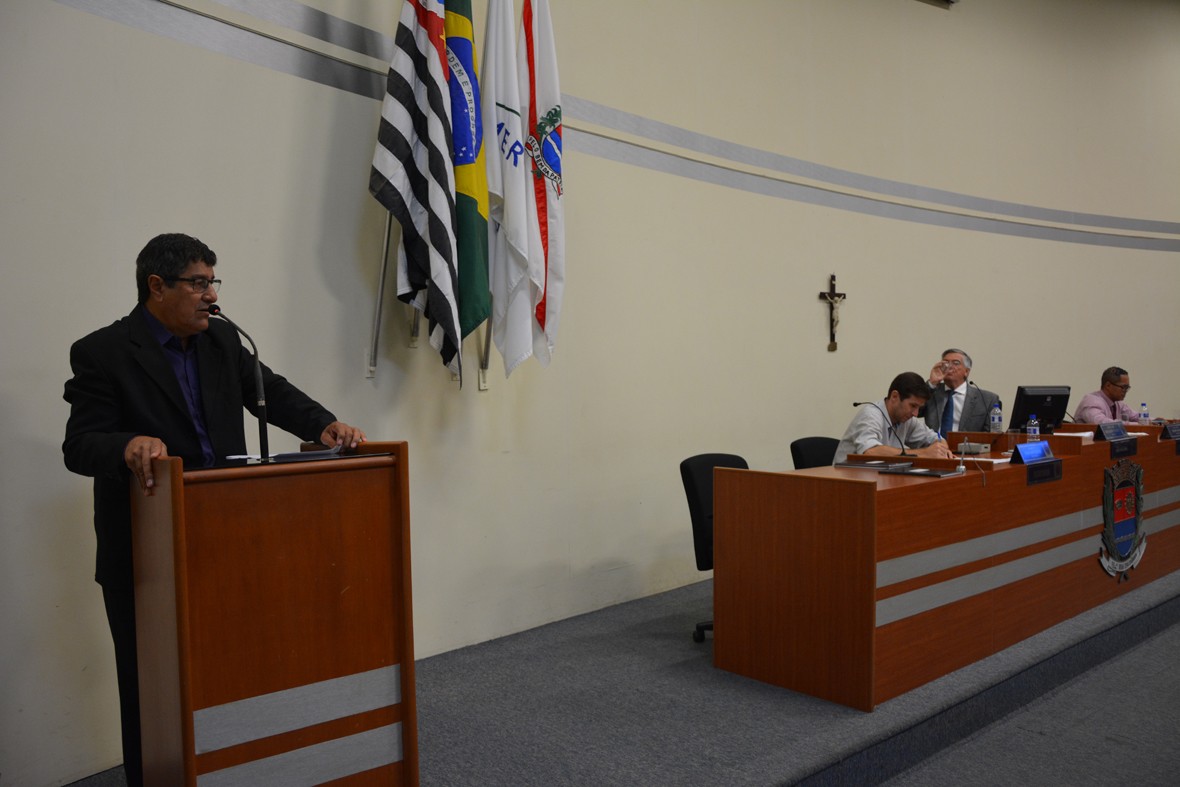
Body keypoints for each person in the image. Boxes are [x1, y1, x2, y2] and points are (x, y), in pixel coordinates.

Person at [62, 233, 365, 787]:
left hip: (224, 538)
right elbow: (79, 445)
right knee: (149, 684)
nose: (211, 296)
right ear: (157, 286)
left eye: (212, 282)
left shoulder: (221, 339)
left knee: (227, 670)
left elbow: (270, 390)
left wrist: (323, 423)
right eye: (198, 283)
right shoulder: (103, 352)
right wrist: (127, 445)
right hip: (146, 552)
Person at [834, 372, 954, 464]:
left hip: (880, 479)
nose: (916, 413)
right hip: (845, 482)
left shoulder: (907, 420)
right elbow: (870, 451)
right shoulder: (871, 415)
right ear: (895, 396)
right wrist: (924, 453)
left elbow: (936, 437)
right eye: (913, 406)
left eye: (919, 407)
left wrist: (941, 448)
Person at [923, 348, 1002, 435]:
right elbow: (916, 412)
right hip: (933, 443)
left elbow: (991, 434)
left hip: (968, 443)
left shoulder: (987, 399)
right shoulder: (932, 391)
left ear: (966, 371)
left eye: (956, 363)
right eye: (945, 363)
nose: (949, 366)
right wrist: (932, 383)